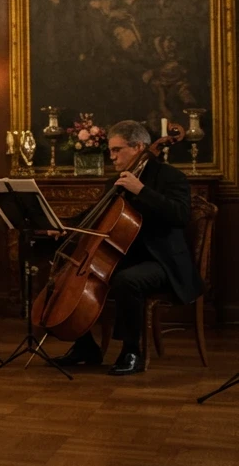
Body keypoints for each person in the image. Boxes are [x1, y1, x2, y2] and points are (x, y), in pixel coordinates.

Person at [52, 120, 201, 375]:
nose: (112, 157)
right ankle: (85, 346)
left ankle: (132, 351)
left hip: (163, 261)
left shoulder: (169, 177)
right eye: (110, 151)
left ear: (139, 147)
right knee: (77, 274)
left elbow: (180, 215)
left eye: (117, 150)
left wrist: (141, 190)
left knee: (126, 281)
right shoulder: (116, 181)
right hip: (127, 256)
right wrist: (63, 227)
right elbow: (93, 216)